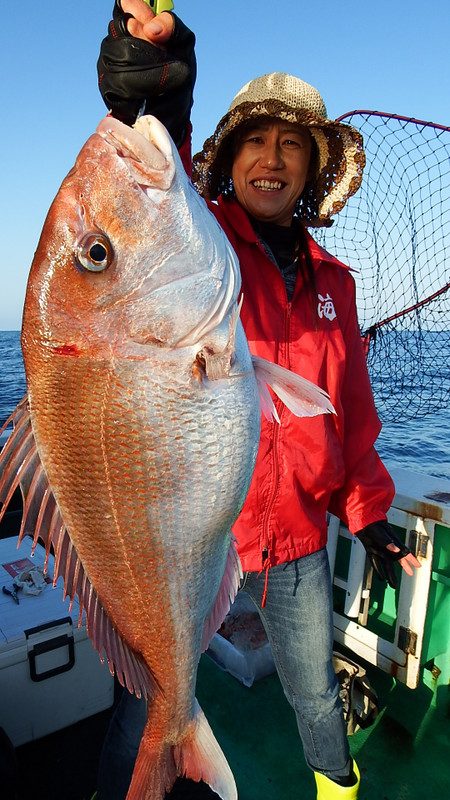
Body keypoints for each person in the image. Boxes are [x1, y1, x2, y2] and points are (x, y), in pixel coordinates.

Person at [95, 3, 421, 799]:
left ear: (312, 171)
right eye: (254, 142)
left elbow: (350, 419)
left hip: (301, 543)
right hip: (196, 537)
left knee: (313, 691)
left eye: (291, 147)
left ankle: (334, 787)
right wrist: (153, 71)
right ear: (229, 159)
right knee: (145, 693)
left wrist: (371, 516)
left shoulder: (336, 286)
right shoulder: (193, 237)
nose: (271, 161)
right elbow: (146, 161)